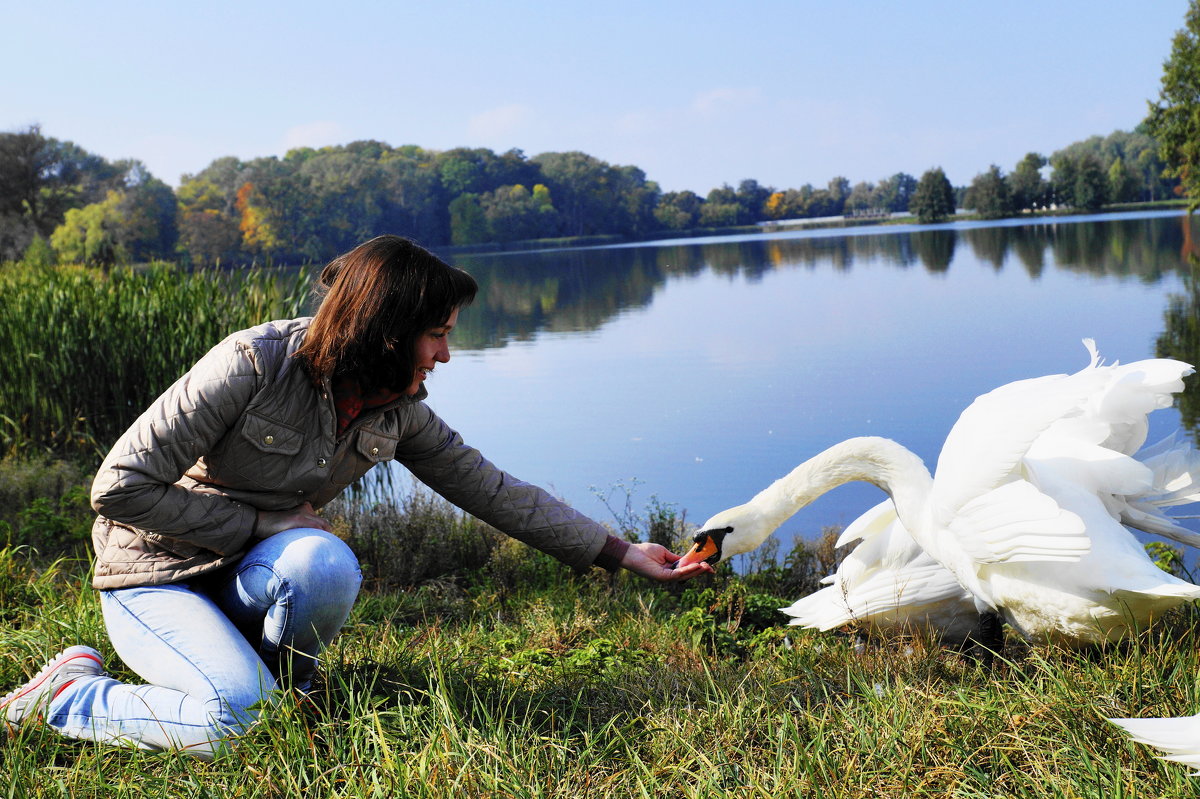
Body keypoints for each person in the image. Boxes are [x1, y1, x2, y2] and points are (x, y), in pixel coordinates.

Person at [0, 235, 713, 759]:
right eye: (435, 334)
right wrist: (256, 521)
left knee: (324, 560)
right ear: (385, 330)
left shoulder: (394, 407)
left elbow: (491, 488)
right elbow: (117, 488)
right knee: (236, 724)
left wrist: (623, 553)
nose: (444, 354)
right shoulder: (251, 363)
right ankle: (69, 695)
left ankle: (285, 686)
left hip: (243, 584)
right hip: (152, 579)